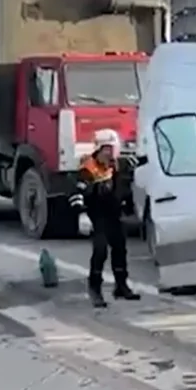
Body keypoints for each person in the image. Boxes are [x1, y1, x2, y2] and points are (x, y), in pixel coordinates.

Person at [69, 128, 140, 307]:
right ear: (99, 150)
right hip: (97, 214)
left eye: (113, 149)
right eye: (107, 150)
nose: (111, 154)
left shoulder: (116, 165)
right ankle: (95, 289)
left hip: (114, 214)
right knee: (100, 251)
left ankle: (121, 285)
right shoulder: (88, 169)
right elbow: (76, 193)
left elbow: (130, 176)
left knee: (120, 248)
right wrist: (82, 214)